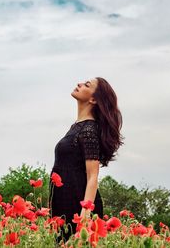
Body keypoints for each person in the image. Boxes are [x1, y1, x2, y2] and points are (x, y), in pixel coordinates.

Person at [49, 77, 124, 245]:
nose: (79, 84)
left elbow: (93, 176)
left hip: (77, 206)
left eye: (86, 85)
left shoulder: (89, 130)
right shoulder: (77, 127)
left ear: (93, 99)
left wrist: (85, 213)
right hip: (64, 201)